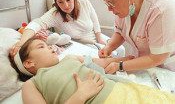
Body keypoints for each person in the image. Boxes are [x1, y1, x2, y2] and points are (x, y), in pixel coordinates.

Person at [9, 37, 175, 103]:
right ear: (29, 63)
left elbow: (98, 62)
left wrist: (121, 60)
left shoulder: (69, 58)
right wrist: (79, 96)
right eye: (42, 46)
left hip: (122, 90)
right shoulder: (31, 84)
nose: (52, 47)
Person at [11, 0, 123, 57]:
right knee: (109, 57)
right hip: (82, 45)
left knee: (121, 49)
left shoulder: (83, 2)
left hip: (96, 37)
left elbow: (94, 19)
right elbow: (36, 23)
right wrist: (20, 44)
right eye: (60, 2)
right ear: (56, 2)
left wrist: (99, 37)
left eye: (68, 0)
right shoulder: (55, 14)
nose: (66, 6)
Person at [97, 0, 175, 74]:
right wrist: (109, 47)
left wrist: (120, 65)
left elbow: (157, 58)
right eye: (107, 3)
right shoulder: (127, 5)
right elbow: (120, 32)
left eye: (111, 3)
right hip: (142, 61)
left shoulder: (160, 11)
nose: (109, 9)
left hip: (165, 67)